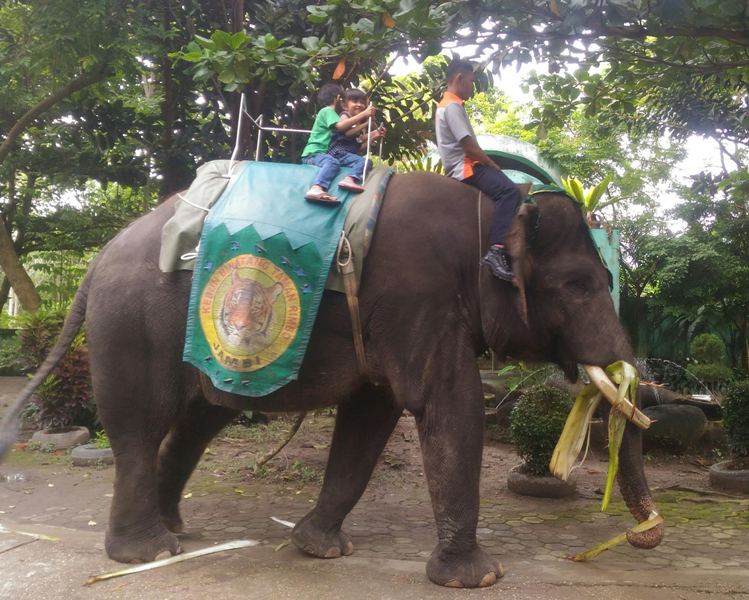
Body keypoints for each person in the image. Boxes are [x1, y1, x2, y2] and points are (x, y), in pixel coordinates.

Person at [434, 59, 521, 281]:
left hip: (459, 166)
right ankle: (496, 250)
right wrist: (491, 164)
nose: (472, 87)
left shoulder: (445, 105)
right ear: (460, 78)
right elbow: (469, 146)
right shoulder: (452, 107)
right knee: (510, 192)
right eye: (471, 81)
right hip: (466, 168)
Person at [301, 83, 376, 205]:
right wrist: (364, 114)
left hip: (320, 153)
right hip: (314, 153)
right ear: (337, 98)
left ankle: (347, 179)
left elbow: (355, 141)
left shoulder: (329, 113)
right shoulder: (328, 111)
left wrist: (372, 133)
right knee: (332, 162)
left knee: (357, 161)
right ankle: (317, 188)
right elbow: (341, 127)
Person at [327, 88, 386, 183]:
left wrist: (375, 135)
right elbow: (347, 133)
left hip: (347, 154)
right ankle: (350, 179)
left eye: (362, 103)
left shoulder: (358, 124)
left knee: (367, 163)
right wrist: (366, 123)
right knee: (364, 162)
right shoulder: (345, 115)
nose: (359, 105)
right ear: (344, 105)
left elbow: (359, 145)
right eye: (355, 101)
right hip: (338, 153)